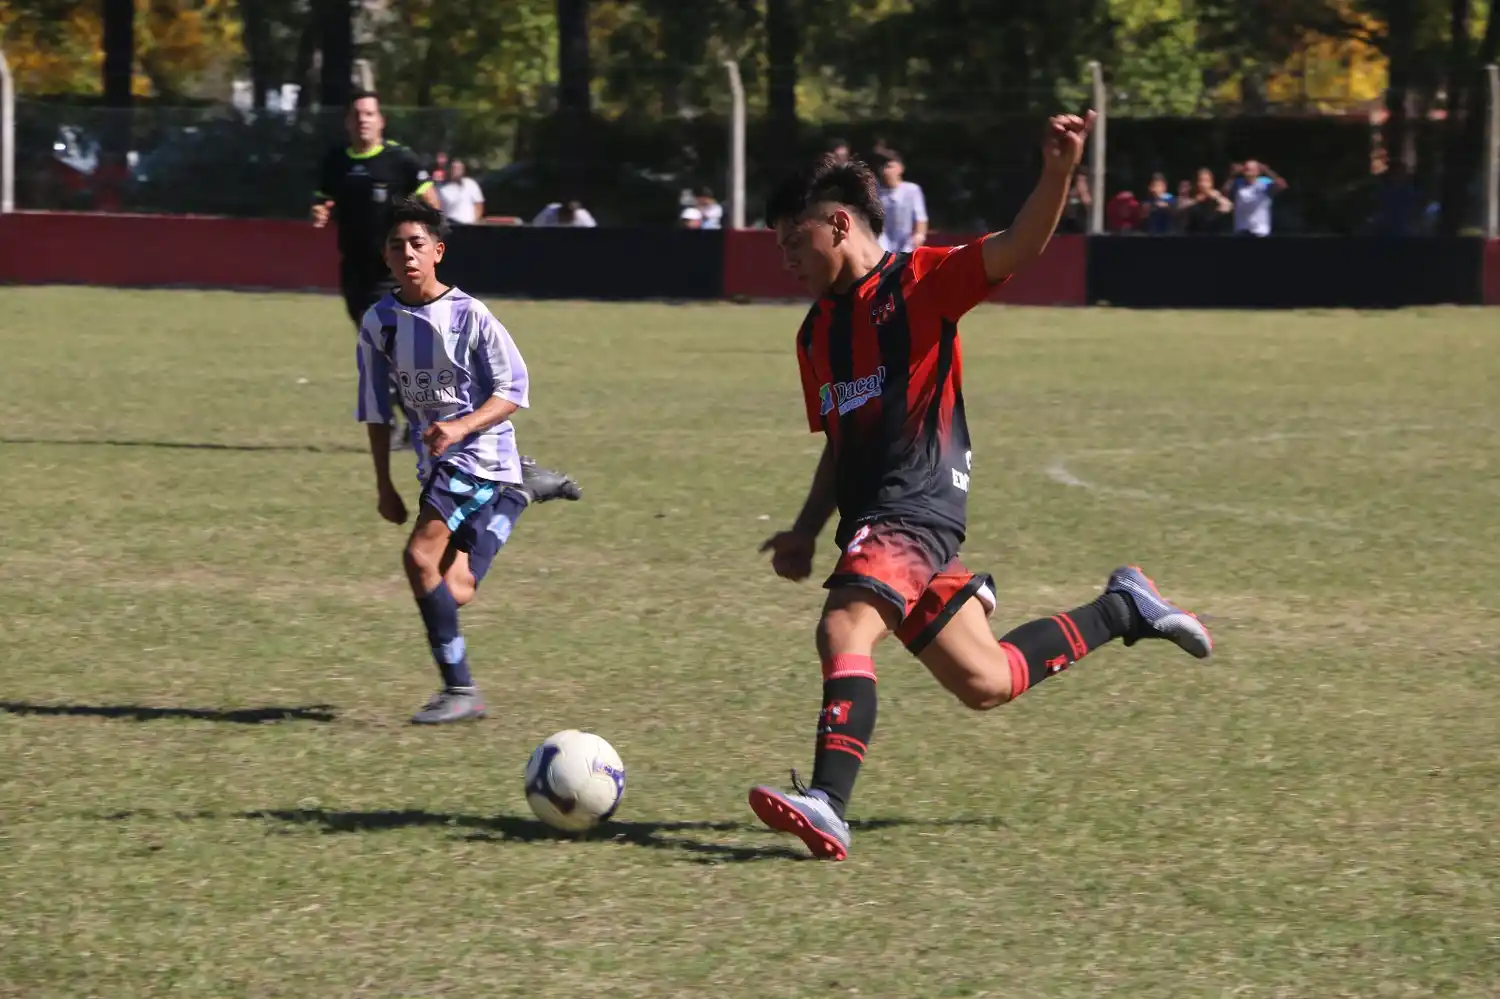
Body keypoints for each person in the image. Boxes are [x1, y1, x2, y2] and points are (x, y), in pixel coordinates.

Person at [749, 111, 1215, 861]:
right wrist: (806, 527)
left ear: (836, 224)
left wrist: (1059, 171)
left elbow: (1018, 248)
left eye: (791, 239)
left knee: (842, 628)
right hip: (877, 522)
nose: (784, 258)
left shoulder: (921, 283)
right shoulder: (815, 334)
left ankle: (829, 802)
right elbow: (839, 443)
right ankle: (1123, 606)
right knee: (986, 678)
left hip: (917, 508)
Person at [355, 198, 583, 725]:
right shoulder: (379, 322)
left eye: (417, 244)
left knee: (418, 559)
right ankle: (520, 492)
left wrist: (459, 425)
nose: (407, 254)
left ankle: (461, 690)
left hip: (478, 453)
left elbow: (514, 389)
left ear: (438, 252)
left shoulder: (469, 314)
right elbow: (372, 407)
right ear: (385, 257)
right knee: (453, 589)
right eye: (396, 246)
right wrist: (383, 485)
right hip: (434, 463)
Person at [313, 90, 442, 451]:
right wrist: (321, 211)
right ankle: (418, 422)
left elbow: (432, 204)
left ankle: (423, 422)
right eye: (357, 114)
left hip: (393, 270)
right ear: (348, 122)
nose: (363, 119)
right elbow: (324, 200)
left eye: (370, 113)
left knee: (388, 347)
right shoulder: (335, 161)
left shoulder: (399, 159)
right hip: (353, 270)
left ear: (381, 120)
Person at [876, 151, 928, 252]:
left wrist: (919, 235)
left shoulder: (912, 190)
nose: (886, 171)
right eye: (884, 167)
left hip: (906, 242)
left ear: (900, 169)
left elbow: (920, 217)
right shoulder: (877, 192)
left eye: (890, 167)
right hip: (883, 242)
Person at [1225, 160, 1287, 236]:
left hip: (1260, 230)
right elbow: (1225, 192)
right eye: (1246, 168)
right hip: (1241, 229)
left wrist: (1267, 171)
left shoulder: (1265, 183)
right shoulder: (1238, 183)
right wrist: (1233, 175)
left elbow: (1282, 185)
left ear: (1258, 171)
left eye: (1251, 168)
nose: (1248, 170)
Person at [437, 158, 486, 224]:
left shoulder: (471, 183)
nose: (457, 171)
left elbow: (479, 205)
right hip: (451, 225)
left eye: (459, 168)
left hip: (469, 226)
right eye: (454, 168)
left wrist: (475, 222)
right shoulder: (441, 188)